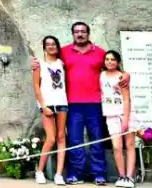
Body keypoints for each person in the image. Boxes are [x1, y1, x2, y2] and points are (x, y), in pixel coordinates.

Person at [31, 22, 131, 186]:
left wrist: (126, 73)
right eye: (76, 32)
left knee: (96, 139)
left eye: (83, 31)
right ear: (72, 34)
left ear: (88, 33)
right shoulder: (63, 52)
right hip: (72, 103)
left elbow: (114, 67)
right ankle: (75, 174)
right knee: (74, 140)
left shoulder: (99, 52)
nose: (80, 34)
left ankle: (99, 174)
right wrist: (35, 64)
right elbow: (47, 60)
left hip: (95, 103)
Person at [33, 36, 67, 186]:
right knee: (51, 138)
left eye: (53, 44)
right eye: (48, 44)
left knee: (61, 137)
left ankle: (59, 174)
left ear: (57, 46)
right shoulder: (38, 64)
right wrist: (43, 105)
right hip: (47, 104)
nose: (51, 46)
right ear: (44, 47)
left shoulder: (62, 63)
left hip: (62, 103)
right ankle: (39, 171)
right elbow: (36, 86)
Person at [101, 51, 138, 188]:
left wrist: (126, 120)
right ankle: (121, 176)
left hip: (125, 113)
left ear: (117, 62)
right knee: (116, 146)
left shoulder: (122, 76)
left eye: (112, 59)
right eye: (107, 59)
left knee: (129, 145)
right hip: (111, 115)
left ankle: (130, 177)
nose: (109, 62)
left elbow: (126, 99)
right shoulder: (101, 75)